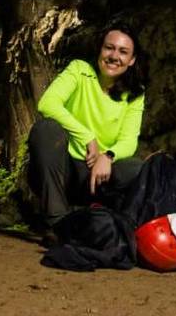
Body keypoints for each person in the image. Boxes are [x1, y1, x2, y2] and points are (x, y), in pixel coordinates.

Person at [28, 22, 148, 229]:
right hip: (63, 172)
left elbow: (128, 141)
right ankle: (57, 223)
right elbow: (47, 103)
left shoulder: (135, 94)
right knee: (45, 129)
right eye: (109, 47)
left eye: (123, 52)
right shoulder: (79, 70)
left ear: (131, 60)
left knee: (138, 169)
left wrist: (107, 156)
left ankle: (109, 223)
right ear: (100, 49)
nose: (114, 56)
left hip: (98, 176)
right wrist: (86, 136)